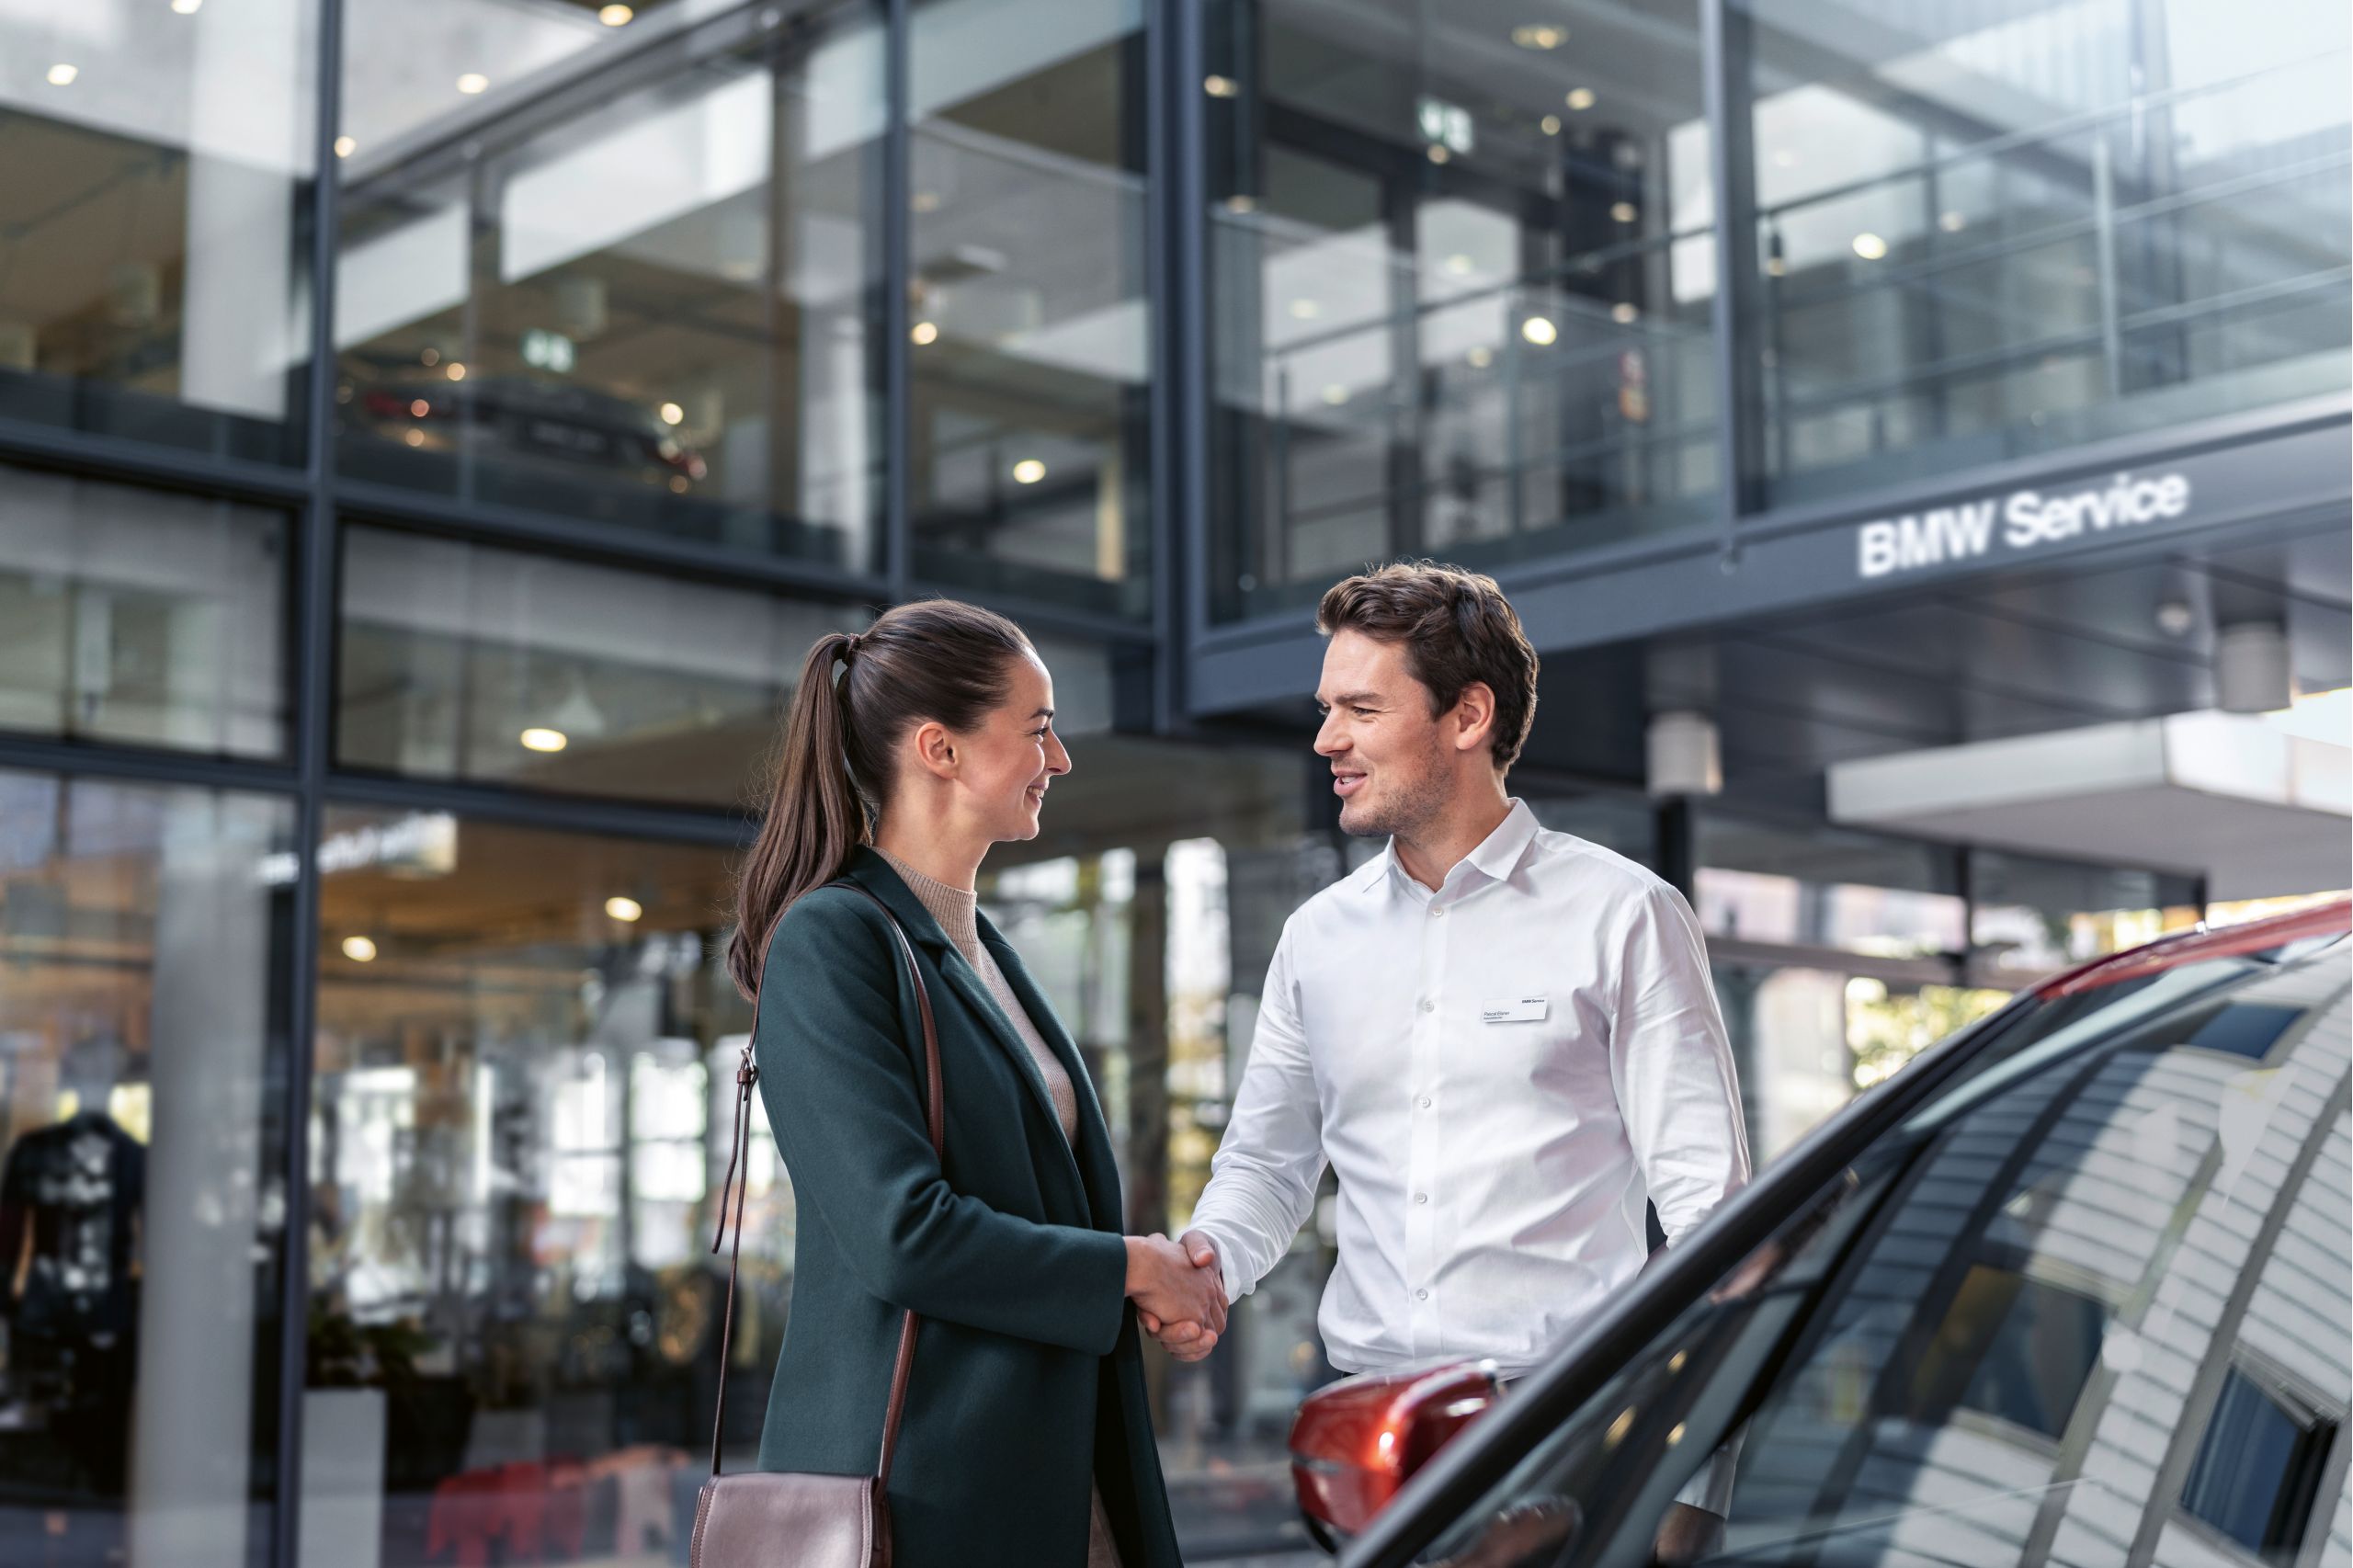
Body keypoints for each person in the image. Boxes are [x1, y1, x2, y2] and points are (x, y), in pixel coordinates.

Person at [1142, 562, 1752, 1562]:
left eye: (1360, 708)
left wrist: (1691, 1483)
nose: (1325, 739)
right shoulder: (1317, 938)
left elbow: (1709, 1215)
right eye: (1325, 707)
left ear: (1467, 716)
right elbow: (1265, 1166)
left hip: (1562, 1432)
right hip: (1363, 1438)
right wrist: (1207, 1265)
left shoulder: (1623, 914)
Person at [731, 598, 1217, 1568]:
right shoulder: (834, 939)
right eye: (1037, 729)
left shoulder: (983, 949)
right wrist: (1129, 1267)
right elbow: (902, 1231)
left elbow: (1030, 1202)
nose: (1061, 757)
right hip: (925, 1489)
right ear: (938, 748)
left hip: (1052, 1469)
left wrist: (1149, 1280)